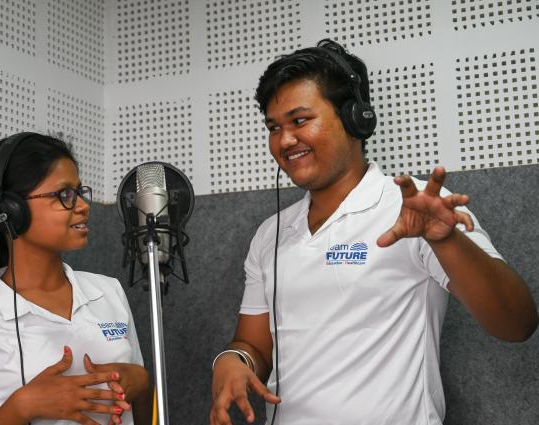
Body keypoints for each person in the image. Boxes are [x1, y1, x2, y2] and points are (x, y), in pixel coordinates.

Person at [209, 39, 538, 425]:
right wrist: (233, 359)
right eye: (274, 127)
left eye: (299, 121)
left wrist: (445, 239)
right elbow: (253, 345)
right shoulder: (271, 234)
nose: (284, 140)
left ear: (355, 119)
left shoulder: (417, 208)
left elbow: (517, 323)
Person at [0, 133, 151, 425]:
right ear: (11, 210)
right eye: (64, 194)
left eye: (79, 191)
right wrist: (23, 405)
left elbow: (140, 408)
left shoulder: (108, 291)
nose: (83, 205)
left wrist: (141, 382)